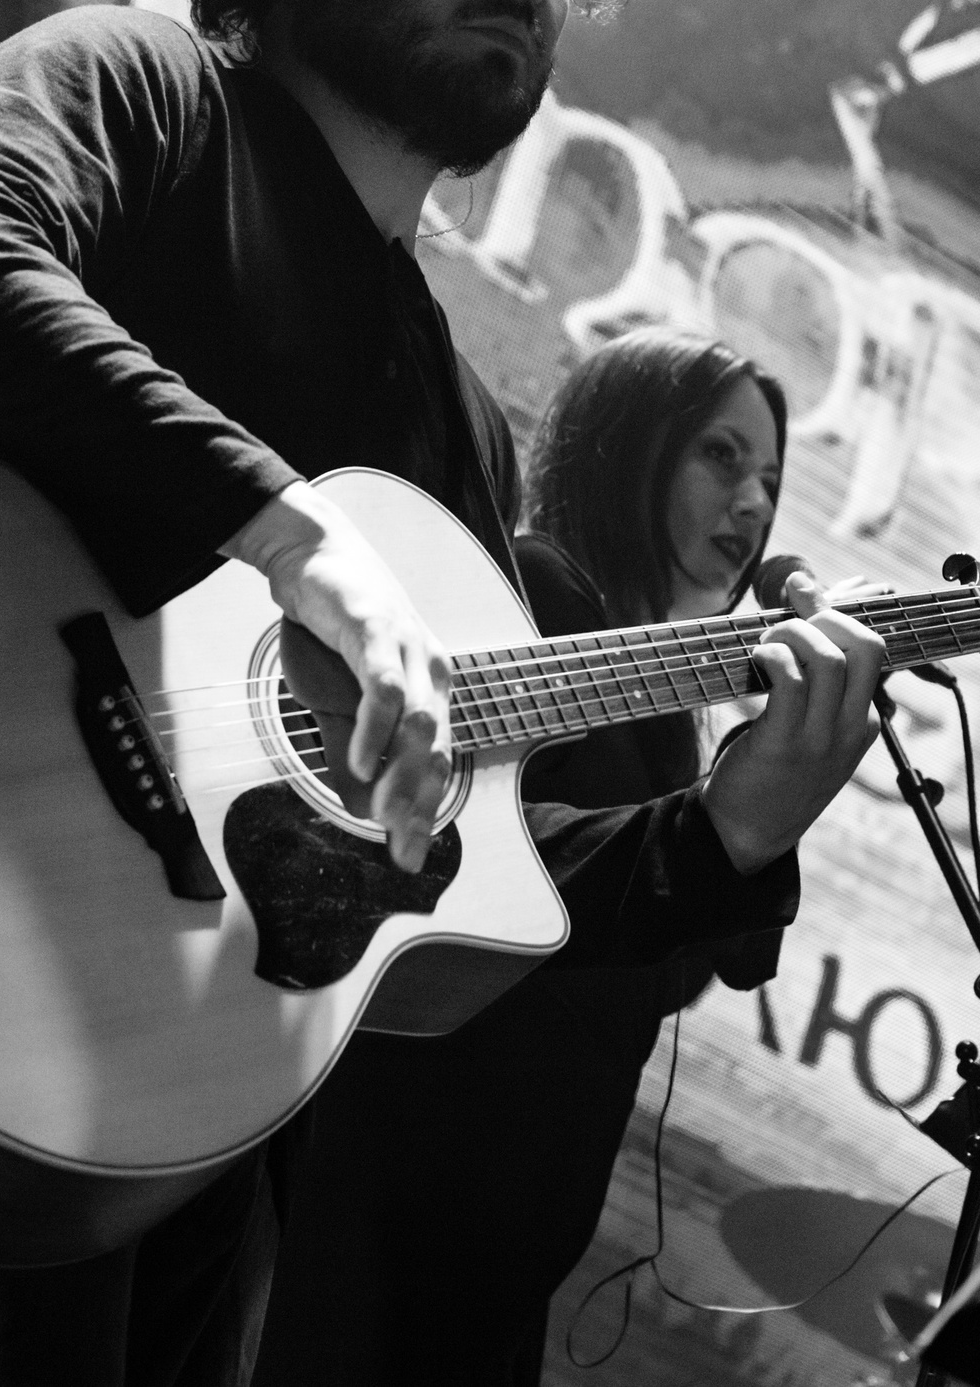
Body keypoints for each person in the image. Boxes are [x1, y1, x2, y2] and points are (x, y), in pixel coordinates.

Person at [0, 0, 887, 1387]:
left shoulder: (461, 422)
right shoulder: (146, 92)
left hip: (207, 1113)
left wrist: (734, 824)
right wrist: (286, 529)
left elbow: (464, 855)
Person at [254, 327, 795, 1386]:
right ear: (627, 443)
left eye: (770, 478)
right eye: (720, 457)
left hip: (487, 1248)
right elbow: (502, 872)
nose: (752, 505)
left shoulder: (667, 702)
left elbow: (675, 959)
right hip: (392, 1193)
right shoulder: (536, 599)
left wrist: (774, 783)